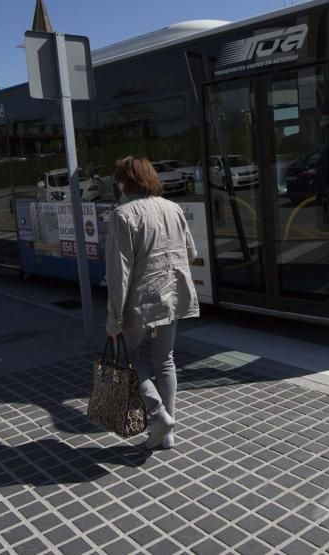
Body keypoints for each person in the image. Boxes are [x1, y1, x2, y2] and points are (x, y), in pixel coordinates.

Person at [105, 156, 199, 450]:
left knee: (125, 358)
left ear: (124, 181)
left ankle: (158, 416)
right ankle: (167, 433)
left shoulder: (123, 215)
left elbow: (119, 273)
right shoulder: (173, 208)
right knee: (165, 359)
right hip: (172, 296)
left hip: (141, 301)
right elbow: (191, 253)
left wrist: (113, 319)